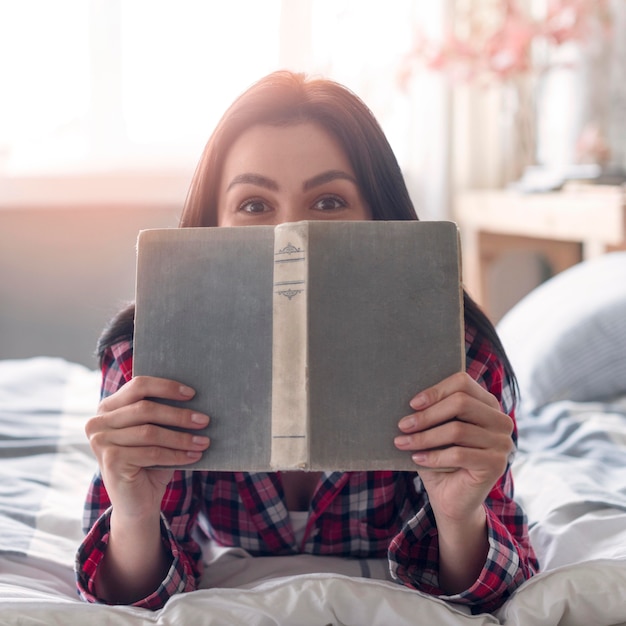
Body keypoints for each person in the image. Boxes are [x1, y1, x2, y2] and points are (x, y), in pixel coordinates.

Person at [75, 70, 539, 613]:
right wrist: (133, 513)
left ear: (379, 219)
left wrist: (461, 515)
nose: (291, 237)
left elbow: (499, 590)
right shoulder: (145, 358)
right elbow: (125, 598)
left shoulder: (460, 357)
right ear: (209, 226)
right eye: (253, 205)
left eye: (328, 202)